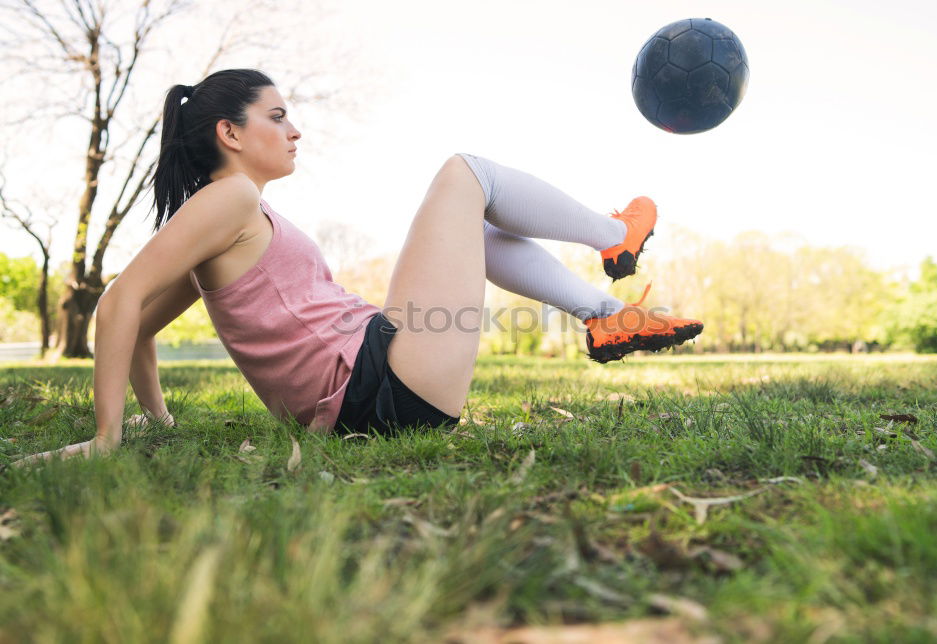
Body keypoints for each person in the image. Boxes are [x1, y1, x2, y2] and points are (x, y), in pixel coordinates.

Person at [13, 68, 702, 466]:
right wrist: (107, 436)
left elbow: (136, 323)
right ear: (230, 134)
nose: (294, 130)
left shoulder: (224, 216)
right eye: (277, 116)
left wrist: (157, 419)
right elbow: (121, 301)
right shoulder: (232, 198)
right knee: (468, 175)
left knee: (475, 224)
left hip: (380, 380)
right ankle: (615, 238)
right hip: (381, 389)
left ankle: (609, 317)